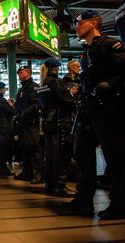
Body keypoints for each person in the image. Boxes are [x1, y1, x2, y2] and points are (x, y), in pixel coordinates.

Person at [63, 10, 125, 219]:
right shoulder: (86, 52)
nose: (77, 26)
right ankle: (84, 199)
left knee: (115, 158)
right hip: (89, 109)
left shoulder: (109, 45)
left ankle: (120, 204)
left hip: (109, 108)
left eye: (80, 22)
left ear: (94, 22)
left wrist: (107, 85)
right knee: (82, 155)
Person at [37, 58, 76, 197]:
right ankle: (59, 185)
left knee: (49, 154)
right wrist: (73, 95)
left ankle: (49, 184)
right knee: (61, 154)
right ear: (56, 68)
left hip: (48, 122)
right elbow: (67, 102)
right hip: (60, 120)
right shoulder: (56, 82)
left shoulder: (42, 83)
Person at [13, 66, 44, 184]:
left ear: (28, 73)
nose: (19, 75)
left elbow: (38, 103)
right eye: (19, 73)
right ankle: (27, 172)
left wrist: (26, 112)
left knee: (33, 147)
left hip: (31, 122)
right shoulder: (22, 89)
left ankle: (40, 174)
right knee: (24, 148)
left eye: (21, 72)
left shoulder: (33, 87)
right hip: (22, 122)